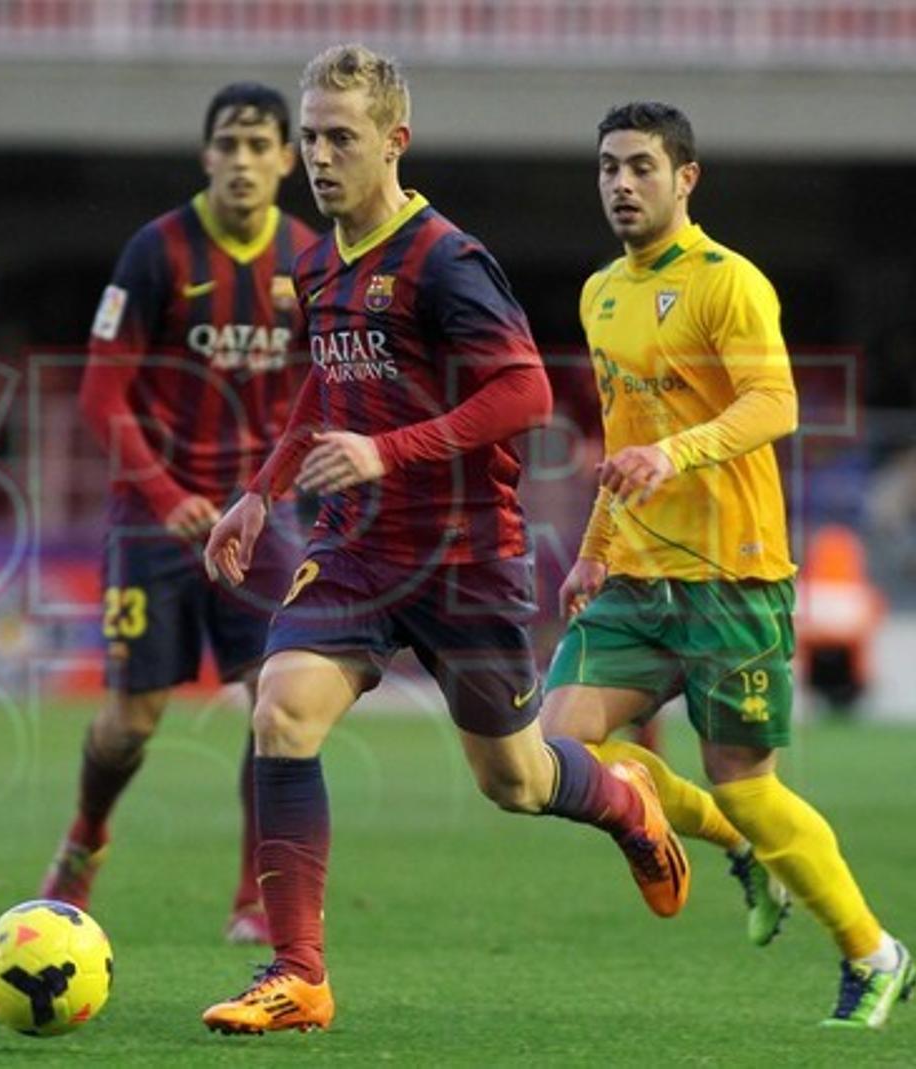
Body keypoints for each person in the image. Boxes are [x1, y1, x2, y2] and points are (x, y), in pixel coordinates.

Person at [199, 46, 691, 1036]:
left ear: (395, 141)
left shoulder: (444, 259)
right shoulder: (315, 262)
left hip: (466, 555)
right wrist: (259, 493)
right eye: (313, 136)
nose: (322, 155)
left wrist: (389, 451)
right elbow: (319, 388)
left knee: (514, 778)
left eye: (342, 136)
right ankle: (299, 974)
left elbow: (526, 393)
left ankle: (629, 802)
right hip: (352, 552)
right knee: (281, 715)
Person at [540, 101, 916, 1029]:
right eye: (607, 169)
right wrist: (592, 549)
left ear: (684, 178)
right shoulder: (600, 293)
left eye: (639, 167)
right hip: (632, 578)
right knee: (548, 753)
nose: (621, 185)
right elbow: (626, 437)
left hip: (733, 577)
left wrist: (677, 454)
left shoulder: (728, 281)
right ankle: (734, 848)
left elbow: (775, 402)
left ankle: (875, 954)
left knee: (749, 782)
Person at [40, 82, 317, 946]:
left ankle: (253, 893)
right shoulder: (157, 251)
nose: (242, 161)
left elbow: (326, 389)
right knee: (132, 720)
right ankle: (86, 837)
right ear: (207, 157)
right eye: (227, 145)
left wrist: (272, 492)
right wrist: (165, 496)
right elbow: (100, 393)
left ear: (285, 159)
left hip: (261, 522)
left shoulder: (309, 259)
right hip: (152, 519)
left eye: (258, 145)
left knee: (274, 701)